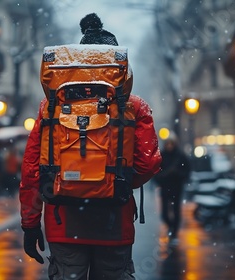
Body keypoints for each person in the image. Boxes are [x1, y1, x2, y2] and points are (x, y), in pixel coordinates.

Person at [19, 13, 162, 280]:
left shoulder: (51, 107)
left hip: (63, 221)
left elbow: (31, 170)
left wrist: (30, 223)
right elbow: (148, 164)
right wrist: (112, 181)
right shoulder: (134, 107)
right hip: (114, 222)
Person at [154, 133, 191, 245]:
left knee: (176, 210)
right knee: (165, 212)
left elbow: (187, 170)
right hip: (165, 187)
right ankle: (171, 226)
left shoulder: (180, 156)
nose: (170, 145)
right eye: (168, 143)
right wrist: (161, 179)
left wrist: (178, 175)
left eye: (171, 143)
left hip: (176, 186)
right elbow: (155, 170)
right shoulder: (162, 155)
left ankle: (174, 232)